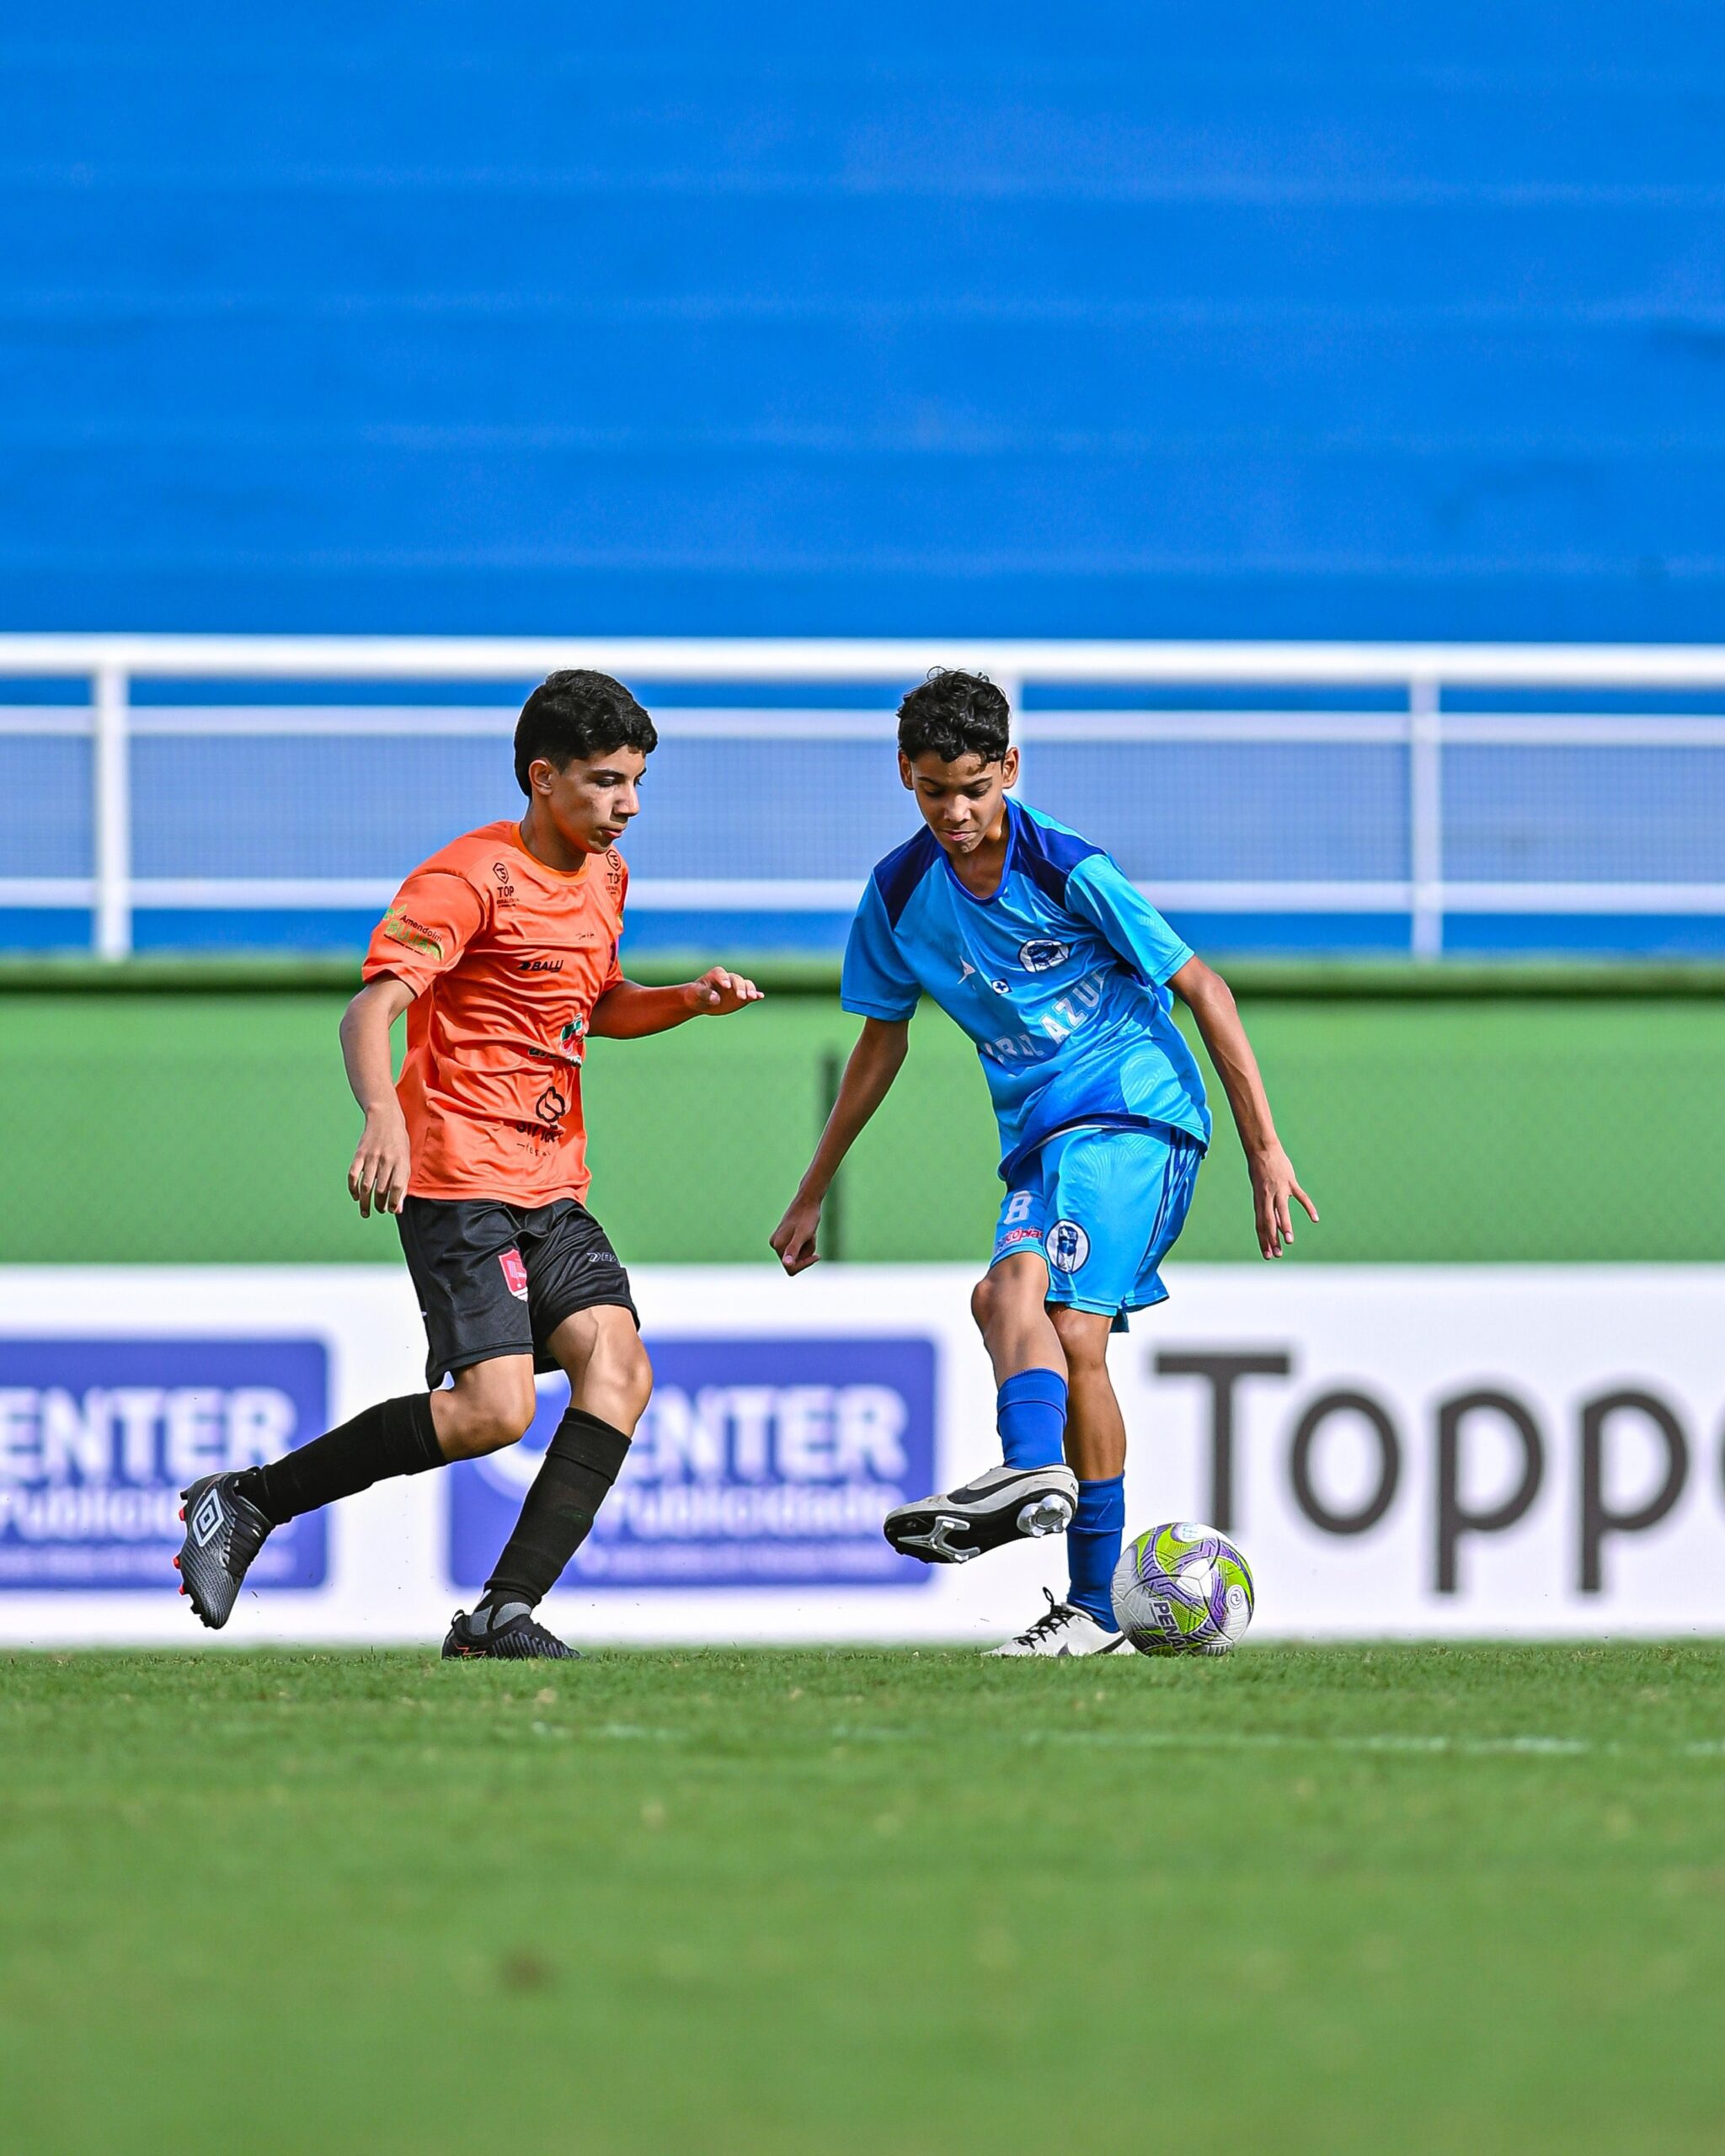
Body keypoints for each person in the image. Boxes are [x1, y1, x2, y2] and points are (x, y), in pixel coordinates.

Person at [175, 669, 761, 1658]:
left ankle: (500, 1613)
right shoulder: (467, 878)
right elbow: (370, 1008)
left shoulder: (606, 876)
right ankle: (249, 1500)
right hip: (459, 1181)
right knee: (495, 1412)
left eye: (636, 783)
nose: (626, 804)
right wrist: (382, 1115)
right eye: (606, 781)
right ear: (543, 776)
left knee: (619, 1369)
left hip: (552, 1183)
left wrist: (684, 1001)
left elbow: (592, 1004)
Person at [771, 669, 1315, 1657]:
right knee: (999, 1299)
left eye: (973, 788)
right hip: (1038, 1137)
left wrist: (1263, 1148)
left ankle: (1090, 1595)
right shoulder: (897, 895)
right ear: (904, 775)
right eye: (934, 790)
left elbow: (1204, 987)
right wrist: (812, 1191)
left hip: (1132, 1111)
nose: (955, 811)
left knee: (1071, 1329)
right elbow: (880, 1042)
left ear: (1009, 769)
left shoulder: (1067, 866)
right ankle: (1035, 1482)